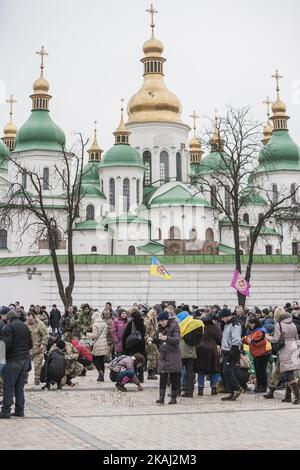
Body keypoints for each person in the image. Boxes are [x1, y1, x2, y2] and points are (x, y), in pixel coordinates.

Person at [0, 310, 33, 418]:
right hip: (24, 360)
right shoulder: (25, 327)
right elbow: (30, 345)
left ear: (9, 319)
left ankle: (5, 411)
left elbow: (6, 345)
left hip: (13, 360)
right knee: (19, 387)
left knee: (8, 386)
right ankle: (20, 411)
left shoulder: (9, 327)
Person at [266, 309, 300, 404]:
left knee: (289, 374)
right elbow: (297, 338)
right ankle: (288, 396)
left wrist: (267, 337)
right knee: (289, 372)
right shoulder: (293, 324)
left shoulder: (279, 325)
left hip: (285, 350)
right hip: (294, 349)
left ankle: (297, 396)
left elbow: (276, 339)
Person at [156, 311, 182, 405]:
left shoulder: (174, 326)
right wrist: (154, 340)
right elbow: (160, 340)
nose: (160, 323)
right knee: (163, 377)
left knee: (174, 377)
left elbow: (177, 340)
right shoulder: (161, 328)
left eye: (161, 321)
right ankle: (161, 398)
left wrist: (166, 338)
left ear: (165, 320)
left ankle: (173, 398)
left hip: (173, 355)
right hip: (164, 355)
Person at [243, 317, 272, 393]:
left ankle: (263, 387)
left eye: (252, 323)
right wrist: (244, 340)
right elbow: (248, 340)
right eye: (250, 323)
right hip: (257, 354)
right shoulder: (253, 331)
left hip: (263, 353)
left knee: (261, 371)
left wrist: (251, 341)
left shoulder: (261, 331)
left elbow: (261, 340)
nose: (251, 325)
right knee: (258, 371)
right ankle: (259, 386)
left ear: (256, 323)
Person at [195, 313, 222, 396]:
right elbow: (219, 339)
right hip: (212, 350)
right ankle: (213, 388)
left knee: (201, 370)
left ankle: (200, 388)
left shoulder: (199, 327)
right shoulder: (215, 328)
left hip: (200, 349)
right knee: (214, 369)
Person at [220, 308, 243, 401]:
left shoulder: (235, 324)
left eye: (223, 317)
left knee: (227, 371)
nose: (222, 319)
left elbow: (236, 338)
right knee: (225, 372)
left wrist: (233, 350)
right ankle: (231, 391)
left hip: (232, 351)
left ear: (227, 316)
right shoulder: (228, 325)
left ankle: (237, 388)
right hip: (226, 351)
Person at [122, 310, 146, 383]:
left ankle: (134, 377)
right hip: (141, 346)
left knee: (133, 361)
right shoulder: (142, 323)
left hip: (133, 346)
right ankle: (141, 377)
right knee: (140, 360)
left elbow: (125, 335)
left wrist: (124, 347)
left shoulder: (131, 324)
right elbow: (143, 334)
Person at [26, 312, 48, 386]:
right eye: (28, 320)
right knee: (25, 366)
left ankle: (37, 381)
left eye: (31, 320)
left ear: (34, 318)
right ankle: (24, 380)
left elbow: (45, 335)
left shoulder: (40, 324)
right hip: (27, 349)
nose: (29, 321)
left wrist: (43, 344)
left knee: (37, 366)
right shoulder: (25, 324)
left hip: (38, 348)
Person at [88, 312, 109, 381]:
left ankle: (100, 372)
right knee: (101, 360)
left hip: (98, 343)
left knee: (94, 359)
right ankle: (101, 377)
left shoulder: (95, 324)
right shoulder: (104, 324)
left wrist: (88, 334)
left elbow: (95, 335)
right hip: (104, 343)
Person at [144, 308, 159, 380]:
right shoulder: (147, 322)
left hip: (154, 340)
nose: (155, 316)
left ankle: (152, 371)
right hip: (149, 341)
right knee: (151, 357)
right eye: (154, 315)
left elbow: (156, 331)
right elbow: (145, 332)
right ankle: (150, 373)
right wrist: (148, 339)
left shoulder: (155, 322)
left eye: (156, 315)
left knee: (155, 356)